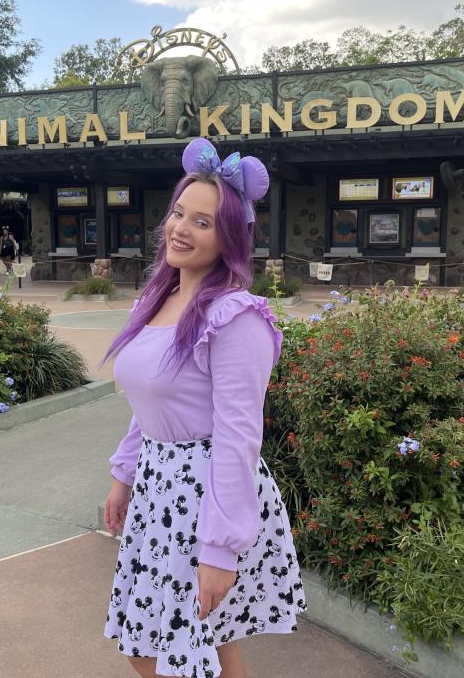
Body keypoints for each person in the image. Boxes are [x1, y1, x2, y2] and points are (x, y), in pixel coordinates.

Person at [101, 138, 306, 678]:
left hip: (205, 497)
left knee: (169, 644)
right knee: (168, 640)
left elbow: (239, 437)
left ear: (230, 238)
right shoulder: (160, 299)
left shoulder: (236, 318)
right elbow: (150, 402)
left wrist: (219, 552)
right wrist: (123, 476)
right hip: (157, 491)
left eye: (203, 222)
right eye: (178, 213)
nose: (180, 229)